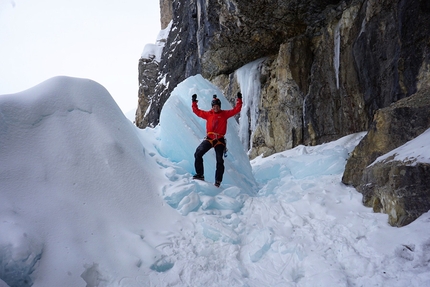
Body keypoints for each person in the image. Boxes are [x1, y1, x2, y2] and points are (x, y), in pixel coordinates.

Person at [191, 92, 243, 187]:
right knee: (198, 153)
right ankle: (200, 174)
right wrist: (194, 102)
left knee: (219, 160)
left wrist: (239, 99)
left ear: (219, 106)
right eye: (214, 106)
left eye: (217, 106)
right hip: (210, 138)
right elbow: (197, 111)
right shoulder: (208, 114)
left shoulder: (224, 114)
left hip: (219, 140)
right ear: (212, 106)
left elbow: (236, 110)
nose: (216, 107)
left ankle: (218, 181)